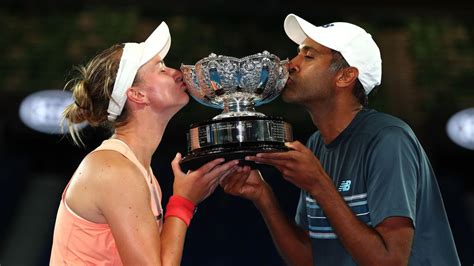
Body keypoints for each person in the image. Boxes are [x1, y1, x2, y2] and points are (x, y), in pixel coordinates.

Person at [220, 13, 460, 265]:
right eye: (298, 53)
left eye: (308, 56)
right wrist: (264, 197)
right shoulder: (316, 144)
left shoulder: (388, 139)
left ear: (345, 76)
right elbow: (309, 259)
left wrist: (319, 185)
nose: (291, 64)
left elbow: (390, 261)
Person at [50, 21, 239, 265]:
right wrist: (183, 202)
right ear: (136, 94)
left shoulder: (139, 173)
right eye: (161, 69)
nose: (176, 72)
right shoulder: (113, 170)